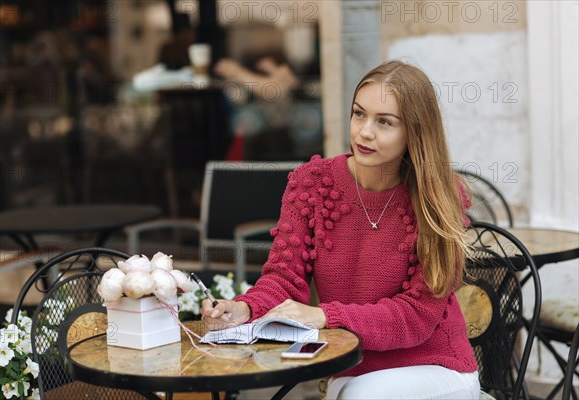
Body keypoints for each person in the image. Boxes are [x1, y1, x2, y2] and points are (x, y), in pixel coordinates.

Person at [200, 60, 480, 399]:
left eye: (385, 122)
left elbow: (417, 316)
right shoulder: (313, 184)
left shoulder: (438, 196)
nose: (365, 131)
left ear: (415, 133)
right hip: (351, 365)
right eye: (359, 114)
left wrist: (323, 315)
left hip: (434, 366)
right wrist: (245, 308)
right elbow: (284, 278)